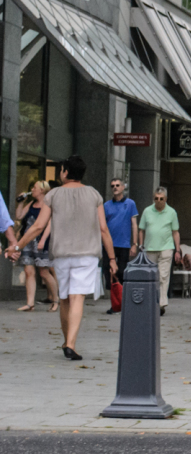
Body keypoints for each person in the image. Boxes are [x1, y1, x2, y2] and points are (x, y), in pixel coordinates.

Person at [7, 155, 117, 361]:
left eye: (61, 170)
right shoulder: (94, 195)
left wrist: (17, 246)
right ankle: (71, 344)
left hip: (61, 254)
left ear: (66, 172)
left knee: (65, 297)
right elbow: (103, 229)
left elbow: (38, 226)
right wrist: (111, 258)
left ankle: (67, 341)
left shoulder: (54, 195)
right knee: (77, 297)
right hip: (87, 254)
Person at [15, 182, 59, 312]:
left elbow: (50, 224)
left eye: (34, 188)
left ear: (41, 190)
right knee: (29, 271)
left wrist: (43, 240)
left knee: (44, 272)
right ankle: (30, 303)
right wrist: (21, 202)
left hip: (42, 241)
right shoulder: (31, 204)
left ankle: (55, 300)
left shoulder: (49, 204)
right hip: (28, 241)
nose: (32, 190)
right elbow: (19, 216)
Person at [139, 187, 181, 315]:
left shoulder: (171, 212)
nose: (158, 201)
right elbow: (141, 229)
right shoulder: (147, 211)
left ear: (166, 199)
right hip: (150, 248)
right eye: (156, 198)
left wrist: (178, 250)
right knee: (151, 276)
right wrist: (140, 245)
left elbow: (175, 232)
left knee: (163, 276)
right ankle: (151, 301)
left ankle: (161, 303)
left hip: (166, 248)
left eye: (161, 199)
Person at [102, 178, 139, 312]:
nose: (115, 187)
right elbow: (102, 225)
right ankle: (115, 303)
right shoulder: (106, 205)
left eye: (117, 185)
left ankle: (123, 302)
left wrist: (134, 244)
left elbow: (134, 224)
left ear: (123, 187)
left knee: (122, 272)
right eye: (112, 186)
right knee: (108, 272)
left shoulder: (130, 204)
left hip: (123, 244)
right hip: (109, 244)